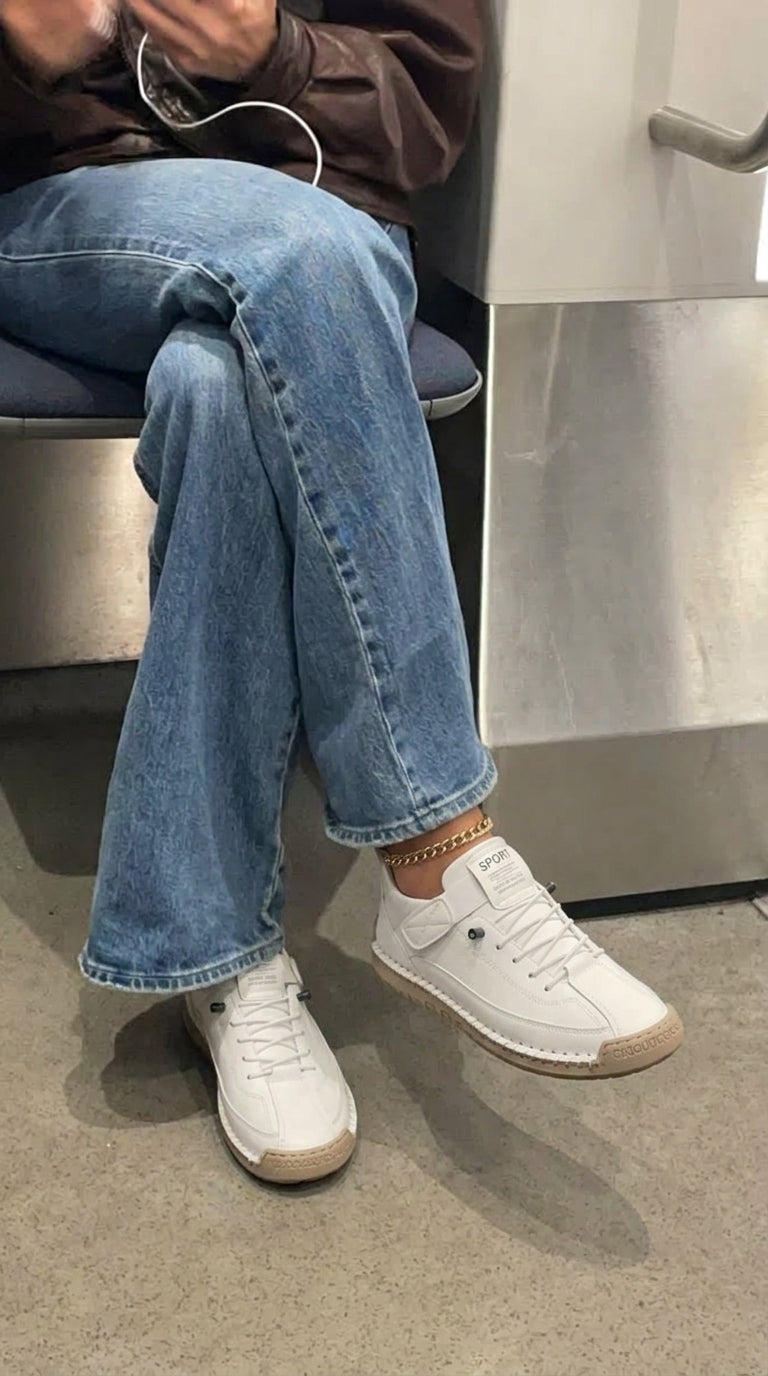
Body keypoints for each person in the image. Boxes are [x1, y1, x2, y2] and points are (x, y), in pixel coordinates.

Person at [0, 0, 683, 1185]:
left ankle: (218, 956)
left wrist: (279, 56)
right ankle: (438, 852)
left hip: (314, 208)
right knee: (306, 257)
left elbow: (428, 114)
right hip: (63, 210)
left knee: (225, 385)